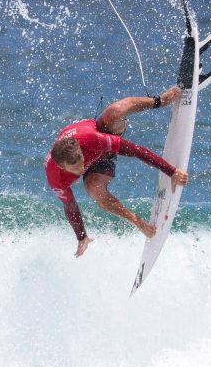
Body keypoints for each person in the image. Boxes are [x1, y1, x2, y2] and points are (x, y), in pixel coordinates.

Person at [45, 86, 189, 257]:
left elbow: (136, 151)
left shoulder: (92, 140)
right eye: (75, 169)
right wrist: (81, 236)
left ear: (80, 149)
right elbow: (70, 206)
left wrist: (171, 171)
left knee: (114, 112)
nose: (81, 168)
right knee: (93, 188)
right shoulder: (56, 179)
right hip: (96, 162)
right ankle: (136, 221)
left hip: (102, 144)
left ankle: (160, 101)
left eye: (81, 161)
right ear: (62, 167)